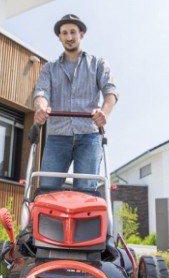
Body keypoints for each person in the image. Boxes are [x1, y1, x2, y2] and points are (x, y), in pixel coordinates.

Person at [32, 14, 118, 195]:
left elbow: (111, 91)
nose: (69, 37)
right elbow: (41, 93)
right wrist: (41, 108)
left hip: (89, 136)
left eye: (73, 32)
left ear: (81, 34)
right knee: (47, 190)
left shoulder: (98, 64)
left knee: (86, 193)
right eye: (64, 33)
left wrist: (104, 112)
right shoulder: (49, 68)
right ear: (59, 37)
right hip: (57, 136)